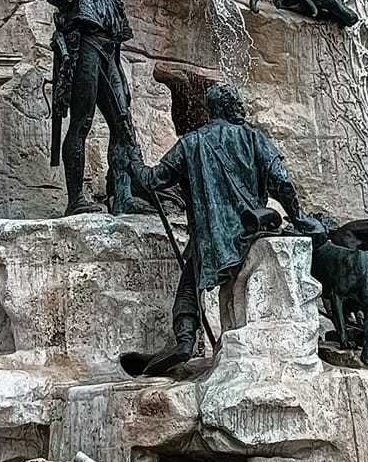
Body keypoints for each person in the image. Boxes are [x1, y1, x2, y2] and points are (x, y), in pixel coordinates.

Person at [120, 83, 322, 375]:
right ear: (230, 108)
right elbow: (281, 181)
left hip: (210, 239)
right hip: (250, 231)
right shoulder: (252, 137)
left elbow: (152, 180)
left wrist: (131, 158)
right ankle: (185, 342)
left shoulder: (191, 142)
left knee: (189, 286)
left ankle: (185, 339)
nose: (241, 109)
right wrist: (300, 218)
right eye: (238, 104)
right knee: (190, 281)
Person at [39, 0, 138, 216]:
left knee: (123, 124)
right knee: (81, 122)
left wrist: (119, 71)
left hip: (109, 52)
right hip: (84, 47)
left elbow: (116, 33)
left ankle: (122, 195)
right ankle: (75, 200)